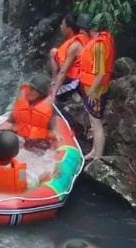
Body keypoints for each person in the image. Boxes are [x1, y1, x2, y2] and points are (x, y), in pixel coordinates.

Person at [49, 13, 116, 161]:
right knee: (93, 122)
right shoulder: (100, 39)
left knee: (97, 124)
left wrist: (91, 91)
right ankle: (94, 151)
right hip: (93, 87)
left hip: (96, 90)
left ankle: (98, 157)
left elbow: (100, 72)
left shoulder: (98, 46)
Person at [10, 74, 55, 146]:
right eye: (28, 87)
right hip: (19, 140)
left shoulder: (49, 111)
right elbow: (10, 122)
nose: (28, 91)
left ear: (41, 94)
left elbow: (55, 134)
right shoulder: (20, 102)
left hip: (39, 145)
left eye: (32, 89)